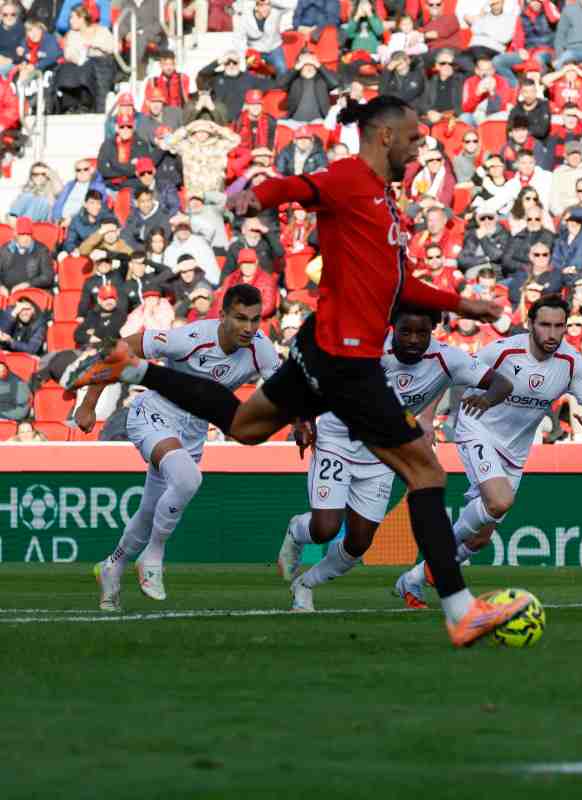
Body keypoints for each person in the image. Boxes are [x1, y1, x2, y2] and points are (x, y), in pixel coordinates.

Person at [67, 96, 530, 648]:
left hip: (317, 349)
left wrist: (460, 306)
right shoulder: (348, 179)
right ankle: (460, 613)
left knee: (244, 428)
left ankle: (138, 370)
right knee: (427, 475)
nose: (418, 146)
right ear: (383, 136)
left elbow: (399, 287)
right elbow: (298, 189)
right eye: (411, 137)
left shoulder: (384, 201)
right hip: (350, 363)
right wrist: (253, 196)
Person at [280, 308, 513, 611]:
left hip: (383, 453)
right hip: (337, 438)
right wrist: (302, 419)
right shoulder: (367, 348)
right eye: (406, 331)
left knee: (358, 544)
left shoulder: (448, 359)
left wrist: (486, 398)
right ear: (392, 328)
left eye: (422, 333)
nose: (413, 340)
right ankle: (295, 533)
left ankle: (305, 584)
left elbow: (502, 383)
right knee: (325, 527)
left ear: (434, 330)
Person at [75, 285, 279, 610]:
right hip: (153, 414)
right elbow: (118, 352)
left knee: (148, 512)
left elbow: (283, 392)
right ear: (222, 315)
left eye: (255, 320)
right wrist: (89, 406)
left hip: (194, 432)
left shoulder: (261, 349)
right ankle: (153, 557)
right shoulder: (188, 338)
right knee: (188, 479)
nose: (249, 328)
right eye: (241, 318)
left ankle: (112, 568)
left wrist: (301, 423)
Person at [395, 296, 582, 598]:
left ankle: (415, 578)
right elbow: (451, 373)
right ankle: (437, 553)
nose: (552, 333)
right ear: (531, 324)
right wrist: (427, 418)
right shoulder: (502, 351)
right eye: (545, 325)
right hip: (476, 427)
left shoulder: (571, 362)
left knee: (480, 538)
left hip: (515, 451)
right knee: (498, 501)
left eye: (559, 326)